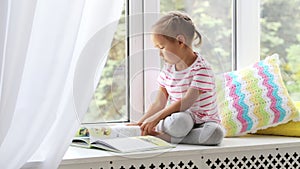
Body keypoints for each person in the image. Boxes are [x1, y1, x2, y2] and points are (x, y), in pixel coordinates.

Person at [136, 11, 224, 145]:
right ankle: (168, 134)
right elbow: (159, 102)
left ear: (180, 41)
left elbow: (186, 102)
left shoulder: (202, 69)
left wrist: (156, 119)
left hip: (204, 123)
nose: (160, 54)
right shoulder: (168, 68)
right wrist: (141, 123)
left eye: (162, 47)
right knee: (181, 121)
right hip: (181, 118)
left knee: (216, 133)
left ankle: (165, 137)